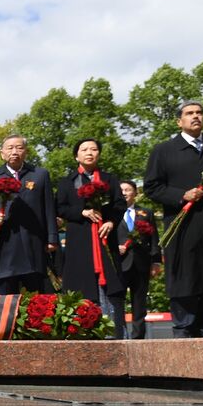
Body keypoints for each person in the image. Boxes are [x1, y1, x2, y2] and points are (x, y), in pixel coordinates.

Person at [144, 100, 203, 337]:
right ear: (179, 121)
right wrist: (181, 195)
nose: (196, 116)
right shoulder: (163, 151)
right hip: (182, 229)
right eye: (190, 113)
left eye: (199, 113)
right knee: (185, 280)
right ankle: (184, 333)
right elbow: (152, 187)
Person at [56, 139, 126, 337]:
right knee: (80, 286)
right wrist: (82, 213)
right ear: (76, 156)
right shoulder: (67, 182)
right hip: (79, 241)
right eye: (84, 150)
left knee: (110, 288)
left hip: (105, 238)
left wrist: (111, 221)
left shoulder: (109, 179)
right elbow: (60, 207)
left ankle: (114, 332)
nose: (89, 153)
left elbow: (119, 204)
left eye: (94, 149)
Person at [0, 135, 58, 294]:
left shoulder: (40, 175)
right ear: (2, 153)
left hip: (33, 242)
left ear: (26, 152)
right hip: (4, 245)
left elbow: (49, 208)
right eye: (10, 148)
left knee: (36, 297)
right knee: (5, 297)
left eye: (19, 147)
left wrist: (52, 238)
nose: (14, 151)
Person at [115, 180, 159, 339]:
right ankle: (119, 334)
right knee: (117, 301)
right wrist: (114, 248)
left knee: (139, 302)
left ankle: (138, 336)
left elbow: (154, 238)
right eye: (122, 190)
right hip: (118, 264)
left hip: (141, 263)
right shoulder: (110, 212)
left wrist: (156, 261)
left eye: (128, 190)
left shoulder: (146, 213)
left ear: (135, 193)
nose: (125, 193)